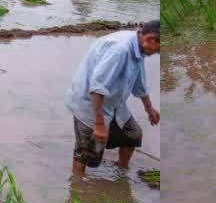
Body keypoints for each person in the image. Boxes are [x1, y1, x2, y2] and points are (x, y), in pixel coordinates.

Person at [67, 21, 160, 176]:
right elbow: (97, 87)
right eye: (158, 49)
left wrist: (149, 108)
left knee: (133, 135)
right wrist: (99, 123)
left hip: (113, 102)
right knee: (86, 152)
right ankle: (78, 187)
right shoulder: (120, 50)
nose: (156, 53)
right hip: (90, 104)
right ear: (150, 39)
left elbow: (139, 82)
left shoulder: (138, 48)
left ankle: (121, 172)